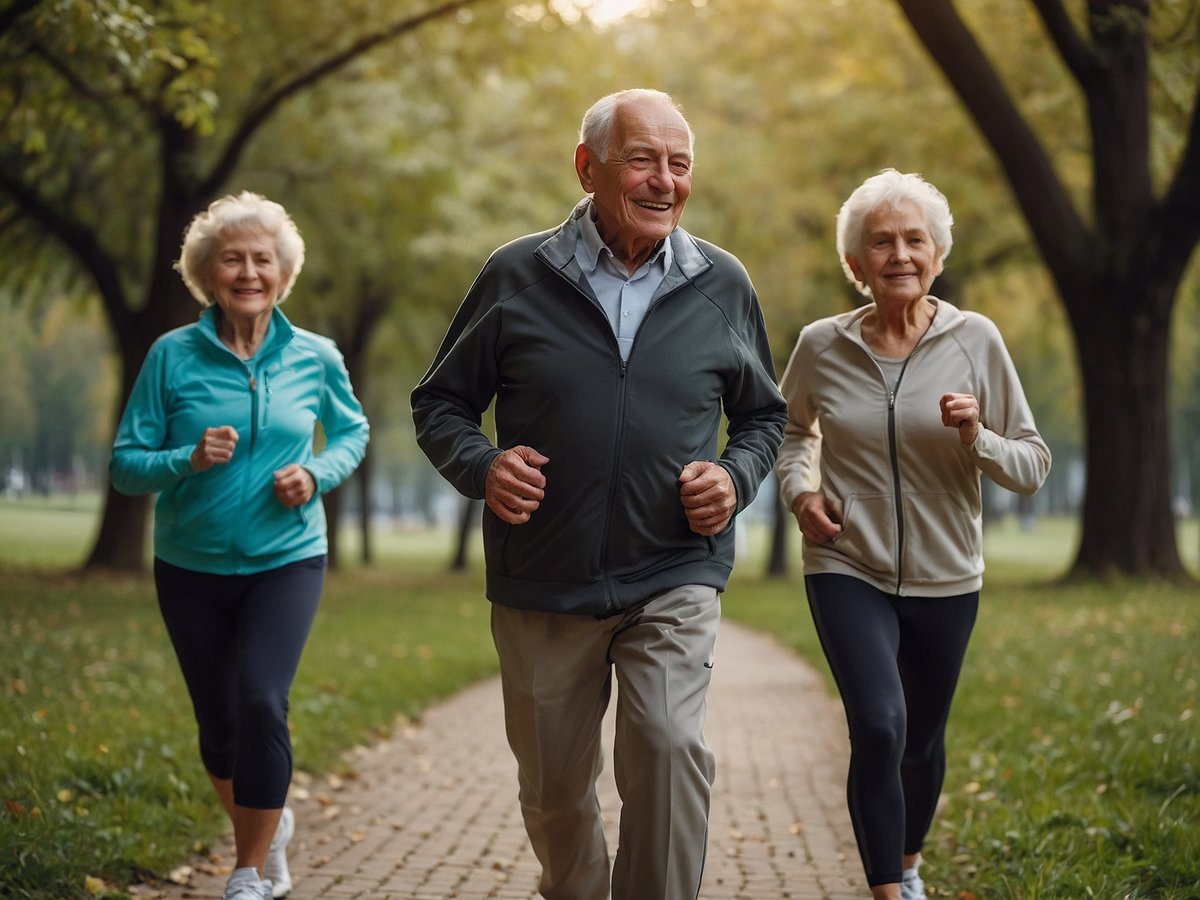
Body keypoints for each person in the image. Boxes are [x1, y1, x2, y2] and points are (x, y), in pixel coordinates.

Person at [411, 88, 787, 900]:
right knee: (554, 794)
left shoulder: (723, 282)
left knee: (667, 745)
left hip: (673, 570)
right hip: (544, 578)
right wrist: (483, 466)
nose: (663, 181)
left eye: (679, 164)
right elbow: (438, 404)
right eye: (641, 159)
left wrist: (734, 477)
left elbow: (764, 416)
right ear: (588, 167)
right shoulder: (517, 273)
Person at [774, 169, 1051, 900]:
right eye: (881, 242)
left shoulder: (976, 341)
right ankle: (888, 889)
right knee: (879, 723)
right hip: (846, 564)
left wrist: (978, 436)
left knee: (921, 743)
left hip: (947, 575)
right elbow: (788, 431)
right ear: (855, 264)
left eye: (914, 239)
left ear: (937, 254)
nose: (899, 253)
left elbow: (1032, 464)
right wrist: (801, 493)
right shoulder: (820, 345)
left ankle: (911, 858)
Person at [110, 191, 369, 900]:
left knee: (260, 700)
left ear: (283, 274)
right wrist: (185, 459)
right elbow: (126, 462)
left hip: (286, 559)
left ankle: (251, 868)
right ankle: (268, 819)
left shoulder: (315, 357)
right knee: (218, 727)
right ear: (207, 274)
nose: (249, 271)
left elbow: (352, 432)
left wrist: (314, 475)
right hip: (189, 564)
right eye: (233, 259)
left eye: (262, 259)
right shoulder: (171, 357)